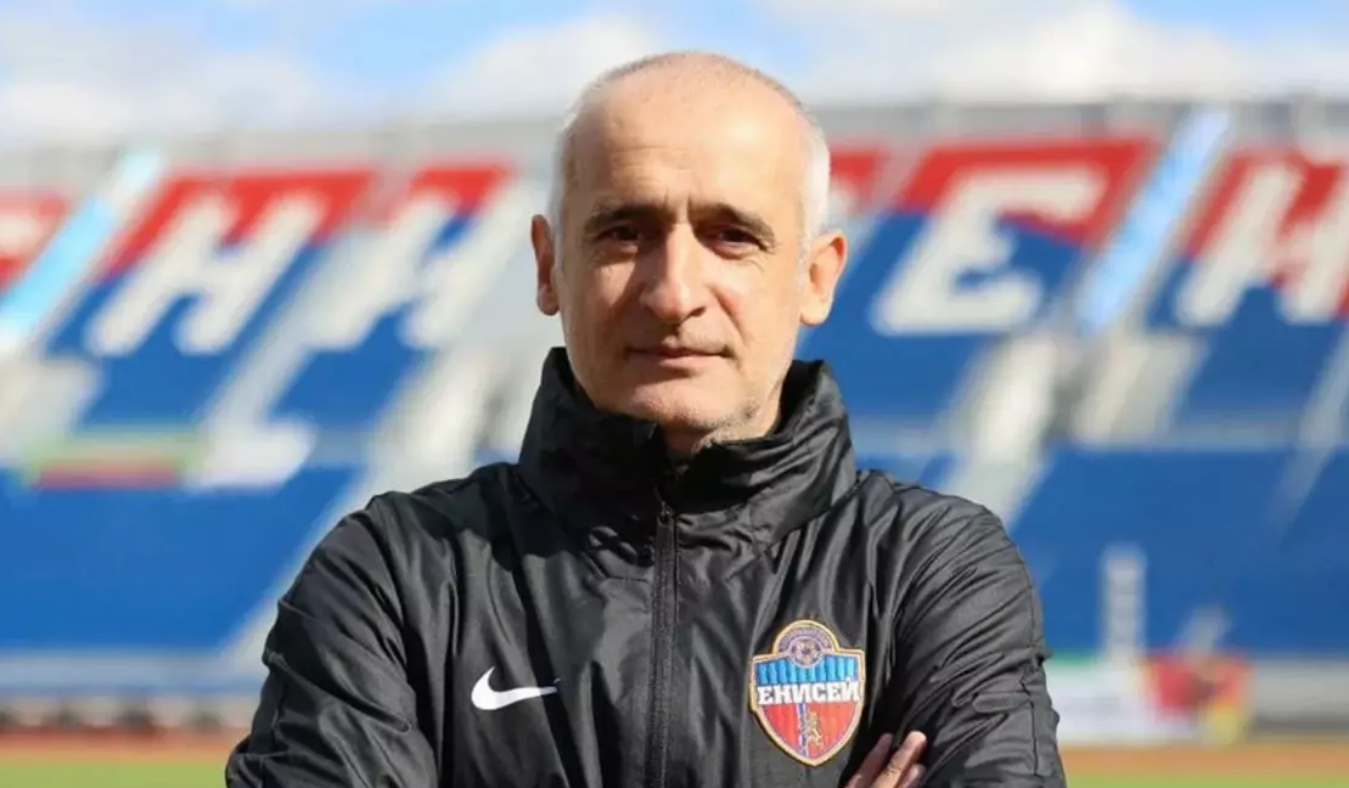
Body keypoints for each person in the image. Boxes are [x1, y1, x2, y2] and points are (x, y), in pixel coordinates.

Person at [226, 51, 1065, 788]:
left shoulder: (934, 573)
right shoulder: (396, 577)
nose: (673, 294)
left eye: (731, 236)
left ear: (816, 277)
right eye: (626, 232)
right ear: (549, 267)